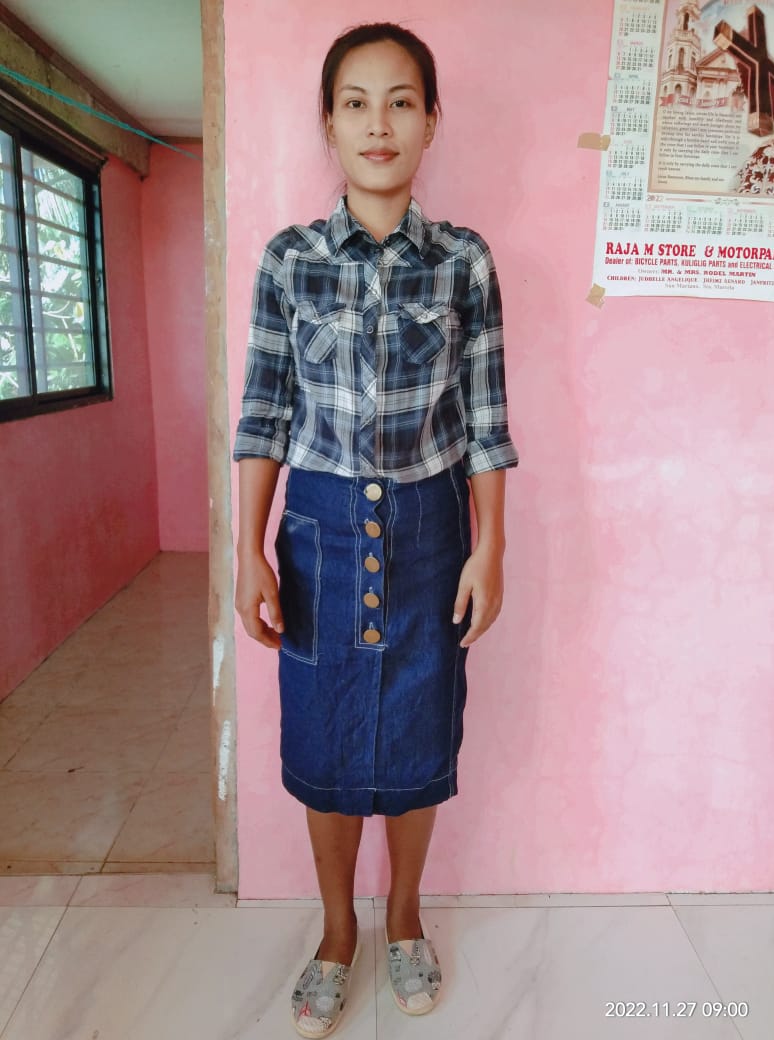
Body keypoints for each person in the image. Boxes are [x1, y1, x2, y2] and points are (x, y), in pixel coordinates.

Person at [233, 21, 518, 1037]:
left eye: (401, 101)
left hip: (430, 530)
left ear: (431, 120)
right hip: (317, 531)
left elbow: (485, 420)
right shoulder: (290, 260)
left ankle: (403, 916)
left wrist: (490, 544)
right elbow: (264, 414)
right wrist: (249, 550)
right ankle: (336, 930)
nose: (378, 123)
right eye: (355, 103)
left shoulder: (464, 262)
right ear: (329, 123)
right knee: (322, 738)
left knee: (416, 730)